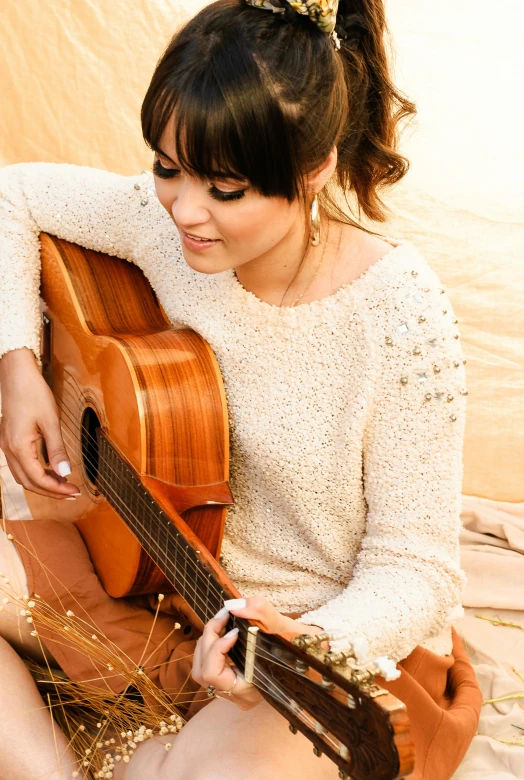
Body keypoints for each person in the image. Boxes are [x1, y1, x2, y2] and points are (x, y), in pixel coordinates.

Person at [0, 0, 482, 778]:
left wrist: (299, 646)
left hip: (306, 648)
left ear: (314, 167)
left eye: (225, 189)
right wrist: (17, 364)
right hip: (159, 587)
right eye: (166, 168)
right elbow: (9, 196)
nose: (186, 210)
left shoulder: (400, 314)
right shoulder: (164, 224)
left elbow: (418, 569)